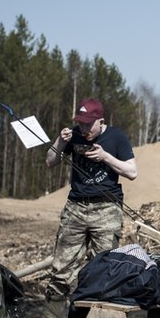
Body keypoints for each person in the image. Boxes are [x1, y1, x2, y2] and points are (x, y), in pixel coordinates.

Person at [43, 98, 138, 301]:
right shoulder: (73, 135)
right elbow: (50, 161)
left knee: (103, 268)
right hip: (75, 207)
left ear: (100, 121)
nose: (84, 128)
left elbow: (132, 172)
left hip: (107, 208)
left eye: (88, 124)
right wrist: (61, 141)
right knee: (61, 269)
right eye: (81, 123)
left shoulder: (117, 137)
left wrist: (105, 157)